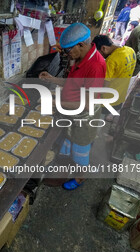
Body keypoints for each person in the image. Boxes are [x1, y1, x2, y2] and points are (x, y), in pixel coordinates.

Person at [39, 23, 106, 190]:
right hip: (72, 112)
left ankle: (80, 178)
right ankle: (67, 168)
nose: (67, 55)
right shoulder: (80, 58)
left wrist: (56, 103)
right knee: (69, 143)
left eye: (68, 50)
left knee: (81, 151)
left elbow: (88, 103)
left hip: (84, 117)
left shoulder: (95, 66)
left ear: (81, 45)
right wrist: (52, 79)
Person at [92, 35, 136, 121]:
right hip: (121, 98)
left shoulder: (111, 61)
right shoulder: (130, 50)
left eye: (98, 53)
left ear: (104, 48)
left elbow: (104, 86)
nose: (99, 56)